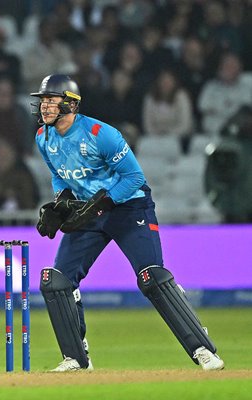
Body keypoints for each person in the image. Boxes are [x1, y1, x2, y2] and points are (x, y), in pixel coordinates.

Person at [31, 74, 225, 372]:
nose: (44, 106)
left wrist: (105, 202)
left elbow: (135, 178)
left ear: (70, 103)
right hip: (88, 211)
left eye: (51, 99)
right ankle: (77, 359)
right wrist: (63, 199)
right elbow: (59, 173)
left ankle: (202, 349)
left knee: (152, 279)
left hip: (129, 207)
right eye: (43, 100)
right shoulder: (43, 137)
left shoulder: (100, 133)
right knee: (56, 281)